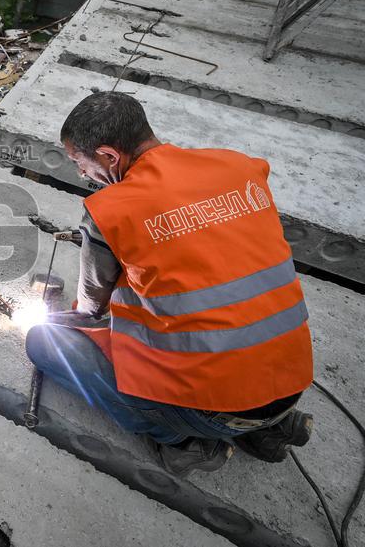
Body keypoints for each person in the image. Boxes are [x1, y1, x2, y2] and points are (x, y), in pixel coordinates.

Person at [25, 91, 314, 476]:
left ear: (109, 156)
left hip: (216, 410)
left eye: (80, 163)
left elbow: (92, 310)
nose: (81, 174)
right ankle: (270, 430)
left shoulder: (110, 213)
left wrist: (64, 321)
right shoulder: (239, 167)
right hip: (293, 381)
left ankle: (186, 444)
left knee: (43, 343)